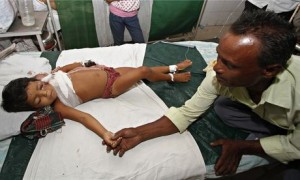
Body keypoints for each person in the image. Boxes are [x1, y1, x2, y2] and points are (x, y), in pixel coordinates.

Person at [105, 10, 300, 177]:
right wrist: (140, 133)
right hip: (277, 116)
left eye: (230, 64)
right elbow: (187, 112)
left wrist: (242, 145)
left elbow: (296, 147)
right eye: (218, 57)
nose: (217, 68)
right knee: (222, 108)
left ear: (269, 70)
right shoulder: (219, 75)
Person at [1, 60, 192, 146]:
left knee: (139, 69)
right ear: (36, 107)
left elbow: (64, 70)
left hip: (108, 71)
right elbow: (84, 117)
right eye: (38, 99)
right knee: (142, 72)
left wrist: (82, 65)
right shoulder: (58, 106)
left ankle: (171, 67)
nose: (45, 93)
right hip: (112, 86)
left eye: (40, 87)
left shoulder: (44, 78)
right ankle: (172, 78)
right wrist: (104, 133)